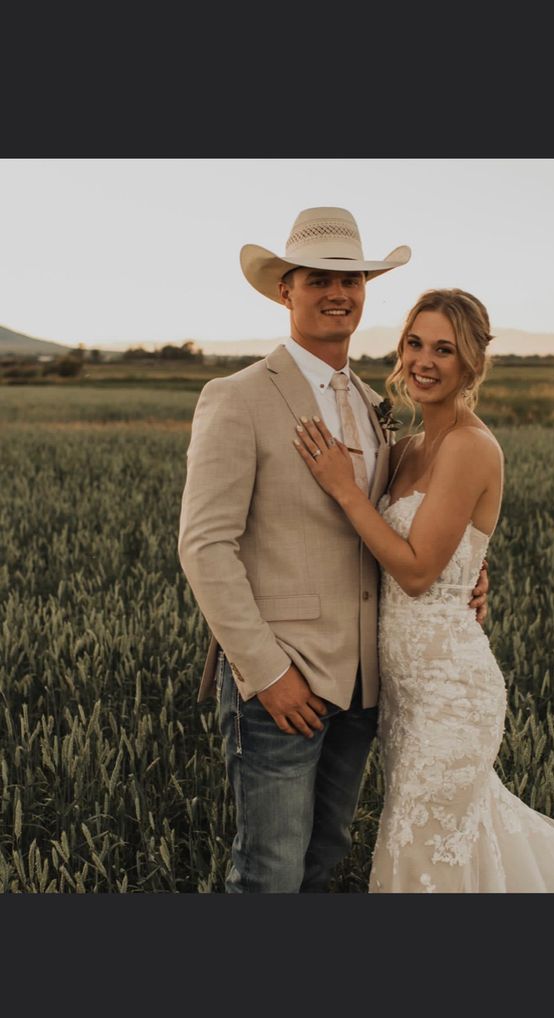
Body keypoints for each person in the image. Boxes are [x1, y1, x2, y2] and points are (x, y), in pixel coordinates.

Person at [293, 286, 554, 893]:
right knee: (450, 851)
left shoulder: (471, 447)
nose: (424, 360)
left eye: (444, 349)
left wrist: (345, 488)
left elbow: (419, 571)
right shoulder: (405, 449)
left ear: (471, 363)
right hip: (403, 699)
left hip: (452, 697)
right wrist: (475, 574)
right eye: (415, 343)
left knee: (425, 858)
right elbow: (412, 553)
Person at [178, 208, 489, 893]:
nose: (337, 293)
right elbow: (205, 547)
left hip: (364, 687)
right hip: (282, 684)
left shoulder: (372, 405)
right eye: (318, 280)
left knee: (324, 863)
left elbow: (394, 529)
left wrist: (464, 573)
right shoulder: (238, 398)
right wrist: (265, 673)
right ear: (285, 291)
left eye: (351, 279)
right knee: (270, 871)